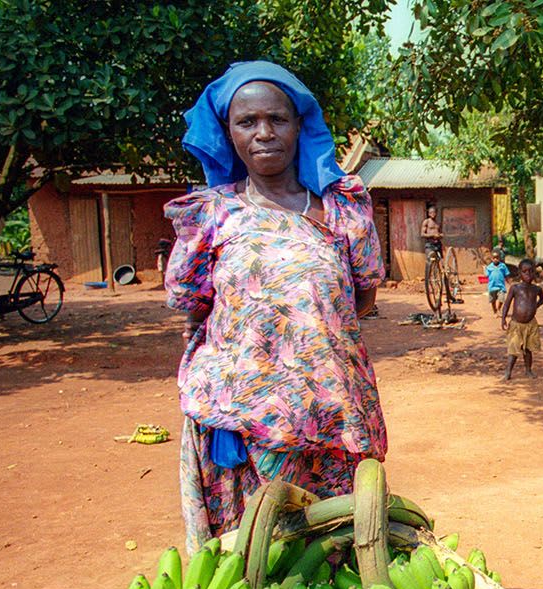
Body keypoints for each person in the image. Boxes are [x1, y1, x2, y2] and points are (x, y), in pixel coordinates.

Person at [164, 61, 388, 553]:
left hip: (331, 415)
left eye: (277, 120)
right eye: (247, 122)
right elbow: (191, 302)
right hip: (246, 423)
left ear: (300, 126)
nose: (263, 133)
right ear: (228, 133)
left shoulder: (340, 210)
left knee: (330, 549)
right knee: (256, 553)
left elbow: (364, 292)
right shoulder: (213, 213)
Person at [501, 259, 543, 380]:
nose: (528, 274)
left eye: (531, 271)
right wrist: (503, 318)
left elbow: (542, 298)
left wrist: (536, 305)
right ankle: (508, 372)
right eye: (525, 271)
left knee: (528, 349)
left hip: (530, 324)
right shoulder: (515, 288)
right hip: (516, 324)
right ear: (520, 273)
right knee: (514, 349)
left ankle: (528, 370)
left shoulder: (536, 289)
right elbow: (507, 304)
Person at [484, 249, 508, 315]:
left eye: (497, 258)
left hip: (501, 286)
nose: (495, 259)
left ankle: (499, 309)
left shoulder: (503, 266)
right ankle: (494, 311)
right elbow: (486, 275)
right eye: (494, 258)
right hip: (492, 286)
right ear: (491, 259)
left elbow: (506, 274)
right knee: (493, 300)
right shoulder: (489, 267)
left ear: (499, 258)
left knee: (501, 299)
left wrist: (509, 282)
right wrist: (484, 269)